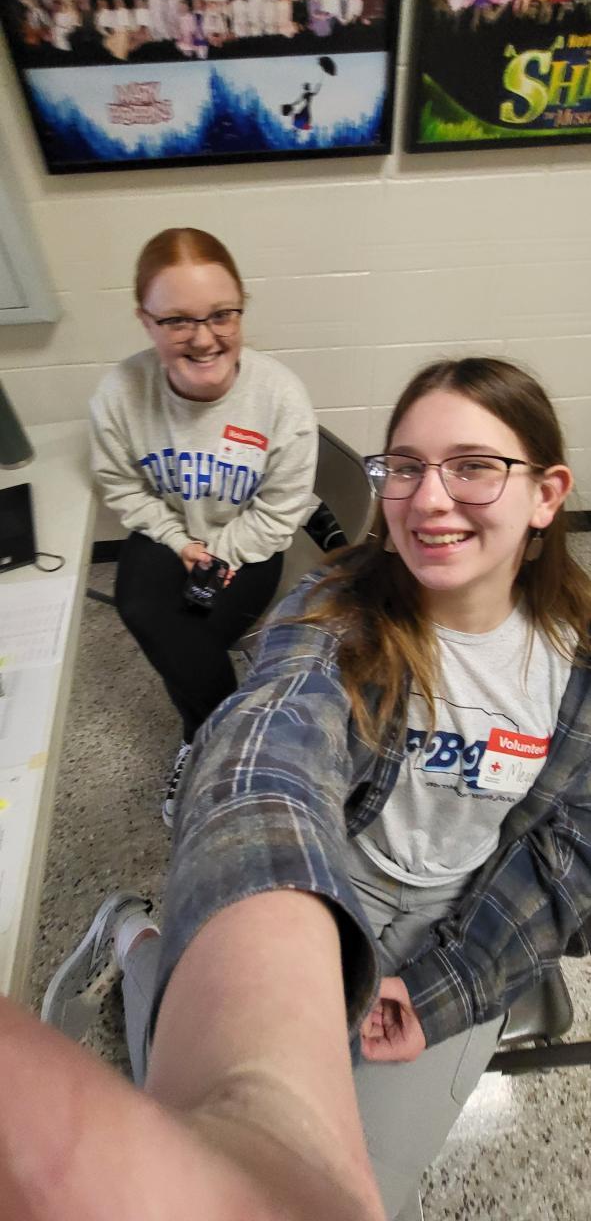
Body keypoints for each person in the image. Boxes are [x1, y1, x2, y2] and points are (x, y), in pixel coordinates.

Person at [41, 357, 591, 1217]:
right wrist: (266, 1005)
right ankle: (133, 935)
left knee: (374, 1195)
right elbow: (269, 745)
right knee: (210, 1148)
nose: (428, 499)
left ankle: (148, 949)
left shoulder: (576, 663)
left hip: (461, 917)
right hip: (328, 889)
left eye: (472, 467)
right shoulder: (333, 609)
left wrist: (450, 983)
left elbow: (572, 846)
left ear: (546, 494)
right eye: (404, 467)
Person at [89, 227, 317, 827]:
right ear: (145, 321)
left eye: (222, 314)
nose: (204, 338)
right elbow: (122, 487)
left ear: (241, 307)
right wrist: (178, 542)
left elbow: (280, 511)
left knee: (187, 634)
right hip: (167, 528)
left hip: (250, 541)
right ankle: (231, 741)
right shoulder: (120, 393)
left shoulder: (280, 398)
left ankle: (205, 738)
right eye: (177, 321)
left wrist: (217, 552)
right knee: (141, 607)